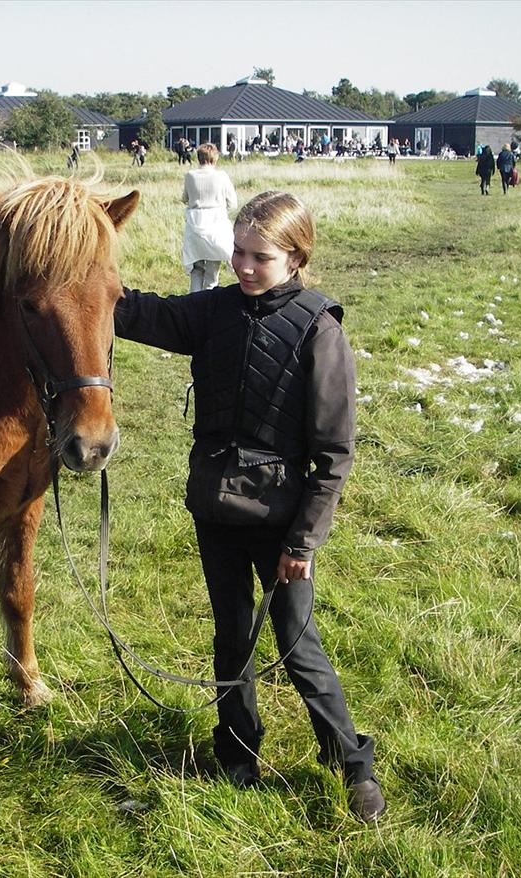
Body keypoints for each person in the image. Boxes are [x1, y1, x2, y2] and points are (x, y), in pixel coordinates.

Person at [112, 190, 386, 824]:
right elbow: (140, 314)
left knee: (295, 642)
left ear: (296, 257)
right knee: (230, 634)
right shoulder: (213, 311)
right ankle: (236, 753)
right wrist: (81, 271)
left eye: (258, 256)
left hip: (283, 524)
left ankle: (352, 764)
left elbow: (335, 454)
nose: (242, 266)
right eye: (235, 251)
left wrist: (303, 542)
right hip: (215, 510)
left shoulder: (320, 328)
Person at [181, 143, 237, 292]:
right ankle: (208, 304)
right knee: (212, 271)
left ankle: (193, 303)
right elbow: (233, 202)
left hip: (195, 223)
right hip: (216, 223)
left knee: (196, 269)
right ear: (215, 157)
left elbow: (184, 198)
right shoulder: (221, 176)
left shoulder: (190, 175)